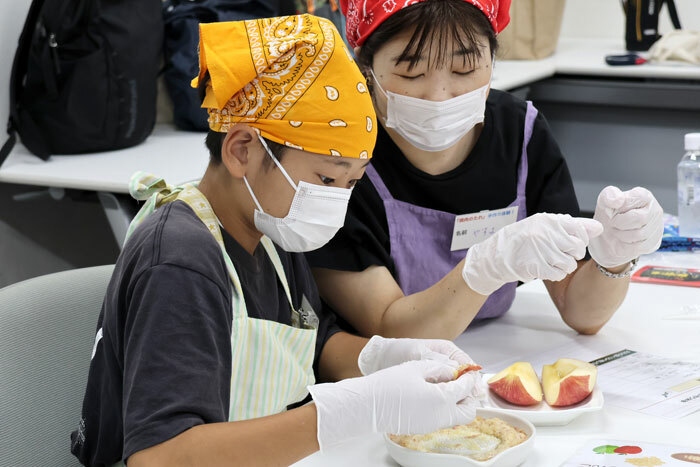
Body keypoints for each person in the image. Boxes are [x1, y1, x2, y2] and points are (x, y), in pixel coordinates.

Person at [70, 15, 485, 467]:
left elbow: (310, 341)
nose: (335, 202)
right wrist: (356, 409)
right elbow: (161, 456)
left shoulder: (267, 230)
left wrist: (384, 358)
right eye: (325, 178)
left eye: (351, 184)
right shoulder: (180, 262)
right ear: (241, 150)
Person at [306, 0, 664, 339]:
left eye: (465, 69)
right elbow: (390, 327)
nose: (440, 95)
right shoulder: (338, 158)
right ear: (365, 65)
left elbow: (581, 313)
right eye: (411, 72)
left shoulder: (520, 134)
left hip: (497, 355)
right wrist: (486, 268)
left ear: (492, 59)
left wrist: (612, 258)